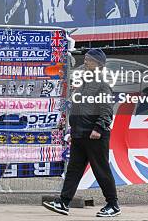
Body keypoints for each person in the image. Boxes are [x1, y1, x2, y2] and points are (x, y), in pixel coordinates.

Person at [43, 48, 120, 217]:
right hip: (80, 133)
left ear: (99, 64)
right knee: (74, 169)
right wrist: (73, 129)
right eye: (85, 59)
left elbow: (107, 110)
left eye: (89, 60)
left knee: (101, 170)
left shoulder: (102, 83)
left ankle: (113, 204)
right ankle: (63, 202)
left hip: (95, 135)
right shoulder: (84, 81)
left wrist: (98, 129)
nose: (85, 62)